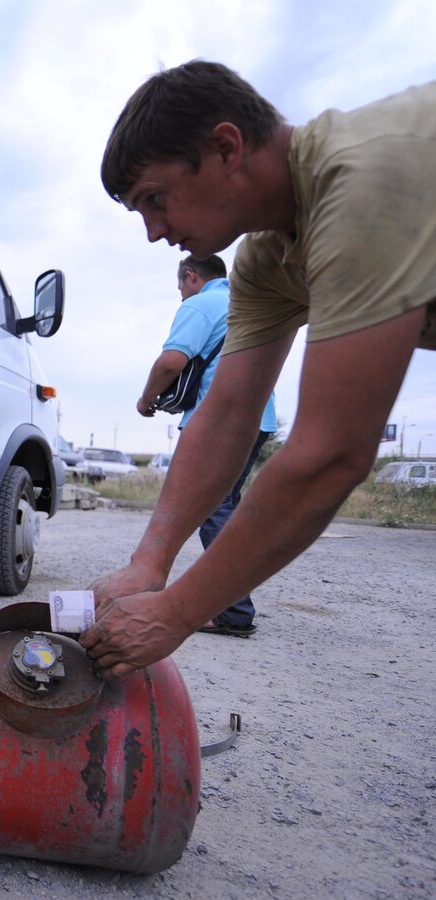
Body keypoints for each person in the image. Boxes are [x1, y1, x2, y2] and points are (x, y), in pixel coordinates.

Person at [80, 61, 435, 680]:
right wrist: (150, 563)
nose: (153, 232)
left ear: (226, 147)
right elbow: (224, 417)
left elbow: (330, 455)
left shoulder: (360, 179)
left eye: (155, 200)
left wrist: (176, 613)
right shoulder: (265, 259)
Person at [137, 254, 277, 637]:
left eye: (181, 285)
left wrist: (146, 398)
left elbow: (171, 362)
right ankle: (232, 602)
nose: (181, 294)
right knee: (224, 506)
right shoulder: (249, 302)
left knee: (211, 508)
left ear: (192, 276)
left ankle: (234, 611)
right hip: (259, 418)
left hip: (220, 421)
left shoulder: (202, 304)